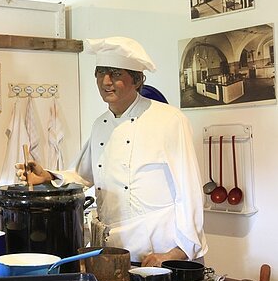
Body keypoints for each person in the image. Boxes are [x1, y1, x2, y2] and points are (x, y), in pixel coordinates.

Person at [16, 36, 207, 267]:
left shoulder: (170, 120)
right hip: (115, 251)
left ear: (137, 80)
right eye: (101, 73)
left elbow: (189, 191)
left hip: (161, 253)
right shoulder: (100, 125)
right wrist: (47, 176)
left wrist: (179, 252)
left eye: (116, 74)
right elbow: (83, 174)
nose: (106, 81)